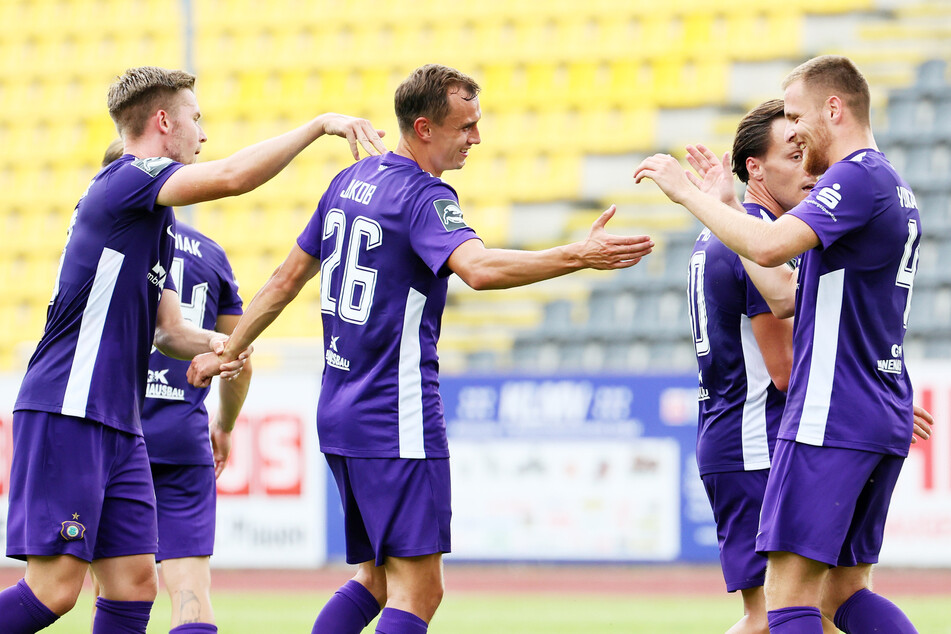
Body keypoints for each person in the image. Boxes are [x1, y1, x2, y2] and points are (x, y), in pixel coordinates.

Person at [188, 63, 654, 634]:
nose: (476, 138)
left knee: (377, 580)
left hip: (340, 411)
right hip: (396, 415)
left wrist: (230, 347)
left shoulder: (347, 182)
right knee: (420, 592)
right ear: (424, 127)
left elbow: (285, 279)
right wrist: (577, 256)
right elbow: (478, 270)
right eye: (466, 127)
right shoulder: (425, 197)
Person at [0, 65, 386, 634]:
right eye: (195, 119)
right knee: (54, 592)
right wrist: (320, 125)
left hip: (118, 421)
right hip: (69, 405)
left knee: (134, 582)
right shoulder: (126, 180)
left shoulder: (154, 218)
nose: (202, 136)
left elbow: (168, 333)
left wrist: (227, 343)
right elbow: (231, 177)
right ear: (163, 122)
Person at [635, 55, 923, 633]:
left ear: (833, 109)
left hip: (828, 417)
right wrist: (724, 205)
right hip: (872, 407)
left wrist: (687, 195)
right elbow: (783, 292)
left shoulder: (854, 176)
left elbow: (768, 254)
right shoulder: (891, 182)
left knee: (785, 601)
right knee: (842, 594)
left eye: (798, 118)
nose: (795, 130)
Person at [95, 139, 253, 634]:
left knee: (116, 591)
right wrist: (224, 424)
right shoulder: (211, 252)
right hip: (184, 434)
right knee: (189, 590)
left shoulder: (95, 238)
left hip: (116, 431)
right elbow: (237, 354)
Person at [686, 99, 812, 634]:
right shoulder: (754, 244)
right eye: (793, 154)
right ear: (753, 168)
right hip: (754, 440)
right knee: (774, 614)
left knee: (801, 607)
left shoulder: (727, 232)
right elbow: (783, 370)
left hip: (733, 435)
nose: (810, 168)